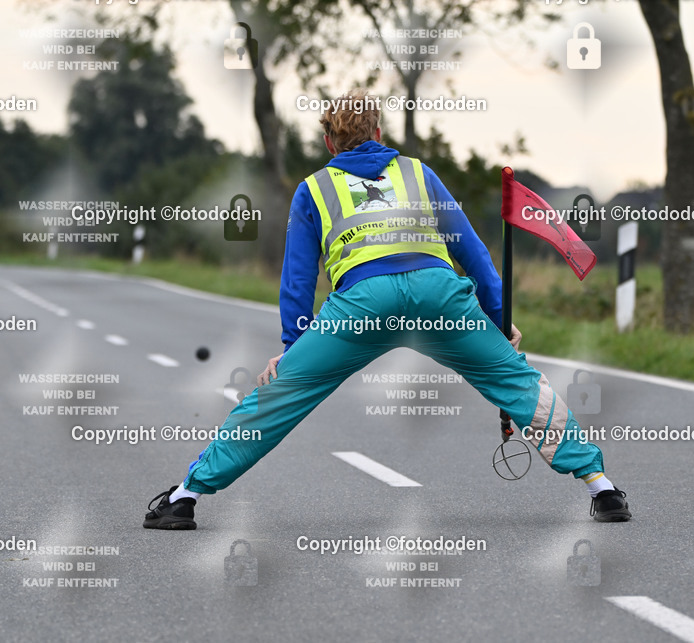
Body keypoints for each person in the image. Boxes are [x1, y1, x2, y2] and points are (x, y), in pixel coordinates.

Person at [145, 89, 631, 529]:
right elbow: (473, 251)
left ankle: (186, 497)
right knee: (517, 381)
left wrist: (293, 351)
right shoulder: (419, 172)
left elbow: (298, 278)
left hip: (362, 303)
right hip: (439, 296)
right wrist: (497, 316)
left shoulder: (313, 188)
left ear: (329, 142)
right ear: (379, 132)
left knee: (281, 396)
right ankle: (601, 487)